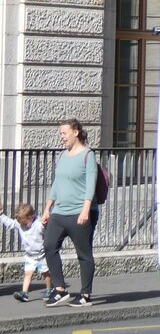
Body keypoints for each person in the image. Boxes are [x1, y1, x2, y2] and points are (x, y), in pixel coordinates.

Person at [42, 117, 98, 307]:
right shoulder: (63, 155)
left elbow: (91, 185)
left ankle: (85, 295)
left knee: (84, 254)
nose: (62, 137)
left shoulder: (88, 155)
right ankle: (60, 289)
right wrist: (48, 208)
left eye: (64, 133)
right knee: (49, 246)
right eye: (60, 134)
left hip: (78, 213)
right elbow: (57, 183)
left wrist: (85, 210)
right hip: (59, 212)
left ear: (76, 132)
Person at [0, 201, 53, 302]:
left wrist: (47, 220)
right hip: (30, 256)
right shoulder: (20, 224)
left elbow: (46, 225)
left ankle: (49, 289)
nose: (23, 225)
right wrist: (1, 215)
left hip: (41, 255)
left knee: (45, 273)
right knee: (28, 274)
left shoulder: (38, 225)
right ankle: (24, 293)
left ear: (32, 217)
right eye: (21, 224)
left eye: (25, 223)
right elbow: (11, 223)